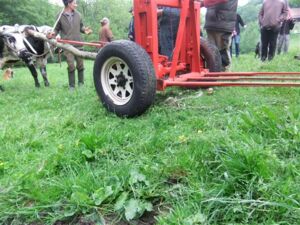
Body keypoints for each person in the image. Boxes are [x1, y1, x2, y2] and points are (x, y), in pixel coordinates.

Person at [48, 0, 92, 90]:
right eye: (74, 2)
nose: (76, 4)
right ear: (68, 3)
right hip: (67, 45)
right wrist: (52, 34)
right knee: (71, 65)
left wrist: (85, 30)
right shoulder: (59, 15)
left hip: (78, 43)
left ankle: (81, 84)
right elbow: (56, 29)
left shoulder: (78, 15)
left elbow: (81, 27)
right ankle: (72, 86)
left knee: (80, 65)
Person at [204, 0, 238, 71]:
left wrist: (203, 2)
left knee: (222, 51)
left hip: (222, 23)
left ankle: (224, 74)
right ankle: (214, 74)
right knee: (210, 52)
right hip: (213, 22)